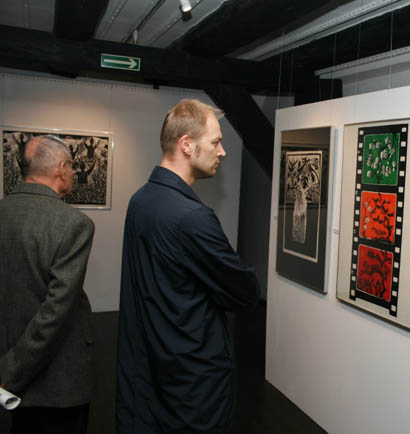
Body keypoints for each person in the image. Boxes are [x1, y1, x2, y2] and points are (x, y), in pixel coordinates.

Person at [116, 99, 260, 434]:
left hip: (151, 369)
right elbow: (246, 292)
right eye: (216, 142)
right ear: (186, 144)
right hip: (190, 382)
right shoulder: (192, 217)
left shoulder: (141, 200)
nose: (222, 151)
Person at [0, 135, 96, 434]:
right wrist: (10, 372)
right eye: (71, 167)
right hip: (56, 383)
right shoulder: (74, 223)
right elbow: (55, 312)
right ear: (62, 169)